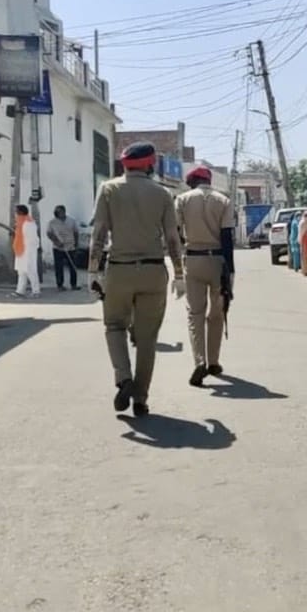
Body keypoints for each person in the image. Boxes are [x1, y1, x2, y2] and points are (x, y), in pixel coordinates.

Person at [88, 142, 185, 418]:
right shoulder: (163, 193)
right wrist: (179, 275)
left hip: (119, 269)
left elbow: (99, 232)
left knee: (114, 326)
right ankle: (140, 399)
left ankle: (123, 378)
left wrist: (93, 271)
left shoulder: (108, 189)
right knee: (147, 339)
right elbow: (172, 239)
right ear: (150, 164)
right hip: (154, 272)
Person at [174, 166, 236, 387]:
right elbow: (227, 237)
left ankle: (199, 361)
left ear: (193, 182)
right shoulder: (224, 200)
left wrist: (179, 264)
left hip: (193, 259)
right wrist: (231, 271)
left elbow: (176, 233)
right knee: (217, 313)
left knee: (195, 314)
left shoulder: (182, 199)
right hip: (218, 261)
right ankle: (214, 362)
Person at [47, 205, 82, 291]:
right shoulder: (52, 222)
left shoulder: (71, 221)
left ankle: (73, 284)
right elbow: (49, 234)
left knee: (73, 266)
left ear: (64, 212)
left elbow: (76, 233)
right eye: (56, 212)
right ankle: (60, 285)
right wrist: (57, 242)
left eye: (59, 212)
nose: (57, 213)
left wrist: (76, 245)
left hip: (70, 247)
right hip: (58, 248)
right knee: (59, 267)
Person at [12, 205, 41, 298]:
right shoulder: (20, 222)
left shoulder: (29, 223)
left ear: (20, 212)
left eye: (16, 211)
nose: (15, 213)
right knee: (21, 271)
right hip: (20, 250)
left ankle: (36, 291)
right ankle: (20, 291)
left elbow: (33, 239)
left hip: (28, 251)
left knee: (30, 271)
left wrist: (29, 249)